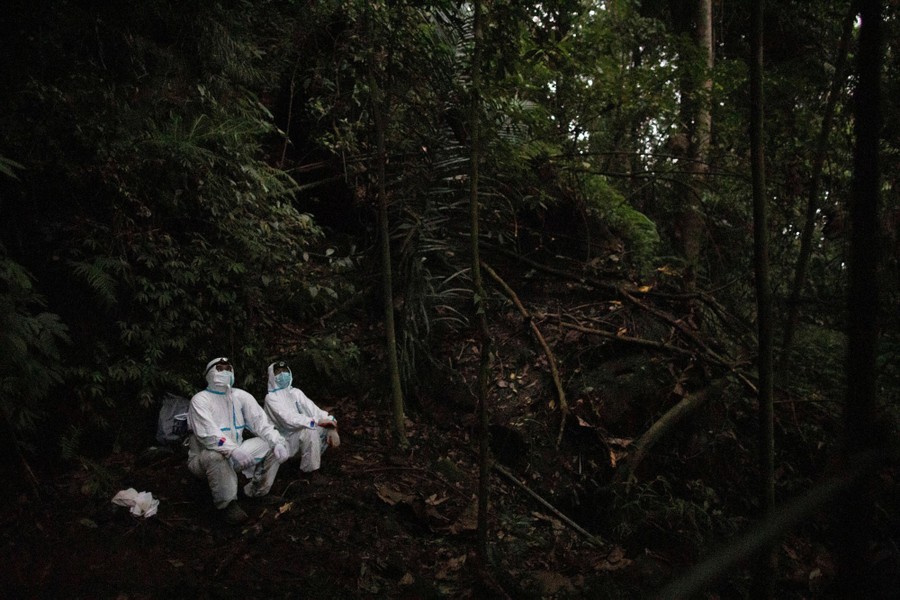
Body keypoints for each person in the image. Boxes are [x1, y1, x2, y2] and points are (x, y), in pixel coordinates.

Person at [186, 357, 289, 525]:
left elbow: (260, 423)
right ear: (209, 373)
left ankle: (257, 492)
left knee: (270, 445)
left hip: (237, 454)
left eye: (228, 368)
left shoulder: (241, 396)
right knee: (215, 456)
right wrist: (232, 449)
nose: (225, 372)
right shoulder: (200, 400)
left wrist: (277, 441)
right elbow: (208, 434)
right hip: (204, 460)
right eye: (219, 368)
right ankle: (227, 505)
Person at [263, 360, 339, 476]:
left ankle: (313, 461)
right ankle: (310, 472)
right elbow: (288, 420)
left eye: (285, 371)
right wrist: (316, 422)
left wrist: (331, 423)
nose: (283, 375)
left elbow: (314, 410)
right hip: (283, 439)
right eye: (278, 372)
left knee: (323, 428)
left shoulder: (296, 393)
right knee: (310, 431)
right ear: (272, 376)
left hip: (299, 433)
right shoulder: (271, 398)